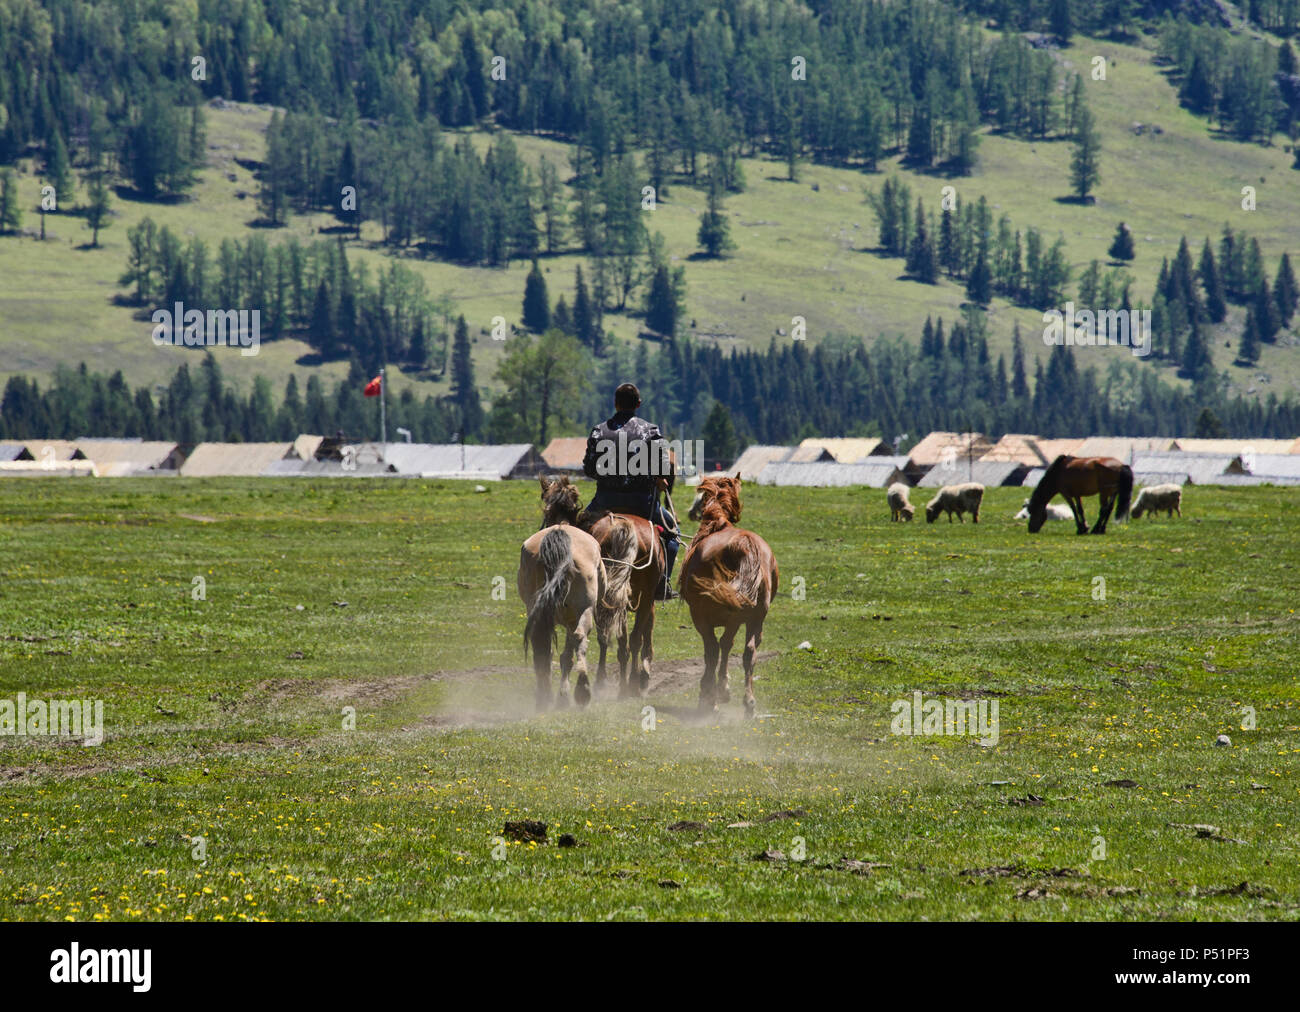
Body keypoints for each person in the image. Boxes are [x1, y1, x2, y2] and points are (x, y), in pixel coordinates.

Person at [580, 383, 679, 599]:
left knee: (575, 531)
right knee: (672, 535)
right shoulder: (651, 431)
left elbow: (589, 468)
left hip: (605, 502)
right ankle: (663, 584)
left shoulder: (599, 431)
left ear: (615, 403)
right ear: (638, 404)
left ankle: (572, 579)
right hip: (642, 503)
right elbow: (663, 466)